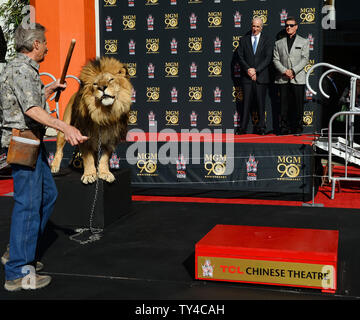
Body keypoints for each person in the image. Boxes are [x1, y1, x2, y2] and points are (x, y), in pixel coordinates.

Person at [0, 23, 88, 291]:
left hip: (33, 143)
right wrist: (66, 127)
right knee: (28, 204)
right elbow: (32, 110)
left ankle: (18, 250)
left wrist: (47, 90)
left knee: (47, 196)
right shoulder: (20, 70)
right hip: (24, 142)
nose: (48, 47)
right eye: (45, 43)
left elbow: (25, 100)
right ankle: (18, 271)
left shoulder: (23, 70)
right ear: (35, 45)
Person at [273, 17, 310, 135]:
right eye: (287, 25)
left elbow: (305, 59)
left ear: (296, 26)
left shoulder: (304, 41)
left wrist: (293, 71)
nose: (289, 27)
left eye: (291, 25)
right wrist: (285, 71)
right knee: (283, 105)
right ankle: (284, 128)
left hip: (298, 78)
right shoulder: (278, 43)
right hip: (283, 79)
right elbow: (275, 59)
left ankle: (298, 128)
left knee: (298, 105)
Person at [236, 17, 273, 135]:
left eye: (257, 26)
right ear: (251, 26)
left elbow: (268, 58)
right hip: (247, 77)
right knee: (245, 104)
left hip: (261, 77)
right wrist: (249, 70)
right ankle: (242, 128)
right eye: (253, 26)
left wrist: (256, 71)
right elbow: (240, 57)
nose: (255, 29)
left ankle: (262, 128)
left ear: (261, 27)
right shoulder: (243, 40)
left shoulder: (267, 40)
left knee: (261, 104)